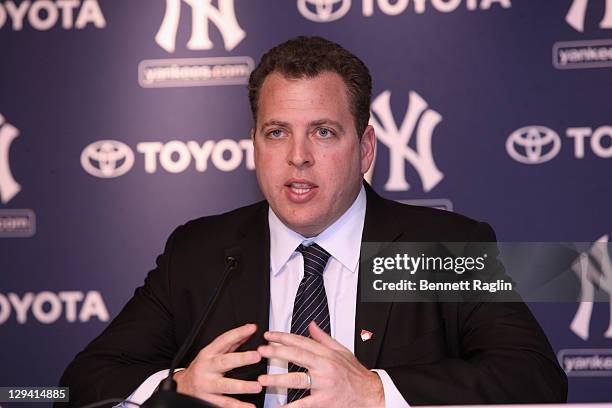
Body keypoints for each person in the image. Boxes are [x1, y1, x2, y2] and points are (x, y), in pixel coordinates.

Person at [59, 36, 567, 408]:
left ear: (365, 148)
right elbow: (79, 381)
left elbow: (535, 379)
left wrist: (375, 392)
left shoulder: (440, 247)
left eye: (323, 132)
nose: (298, 157)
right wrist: (176, 387)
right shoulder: (202, 252)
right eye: (277, 132)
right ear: (254, 143)